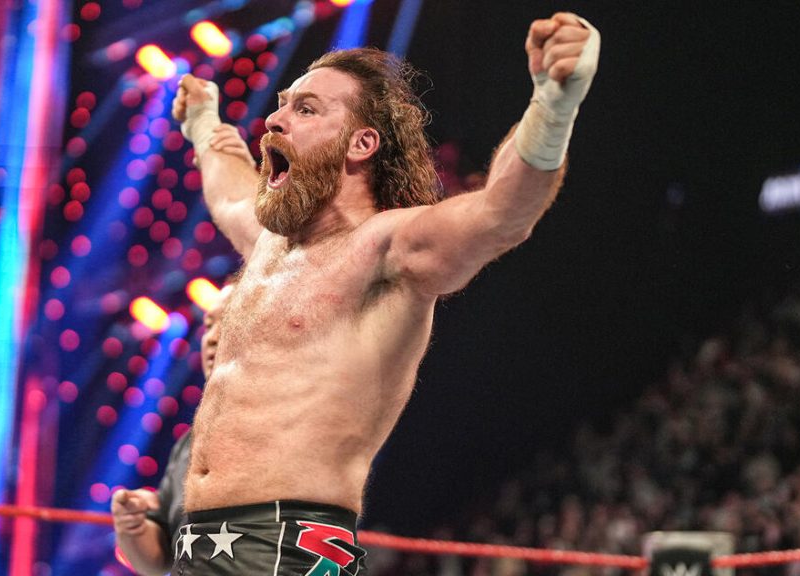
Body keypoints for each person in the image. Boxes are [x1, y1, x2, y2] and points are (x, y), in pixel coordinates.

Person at [168, 12, 600, 576]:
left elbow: (500, 214)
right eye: (282, 104)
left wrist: (554, 105)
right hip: (200, 544)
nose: (274, 119)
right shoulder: (272, 244)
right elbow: (229, 192)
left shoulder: (387, 247)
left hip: (288, 547)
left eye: (305, 109)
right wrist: (204, 123)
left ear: (361, 143)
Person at [110, 267, 242, 574]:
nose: (212, 338)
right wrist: (133, 527)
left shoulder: (300, 419)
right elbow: (159, 563)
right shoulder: (190, 442)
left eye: (228, 322)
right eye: (208, 325)